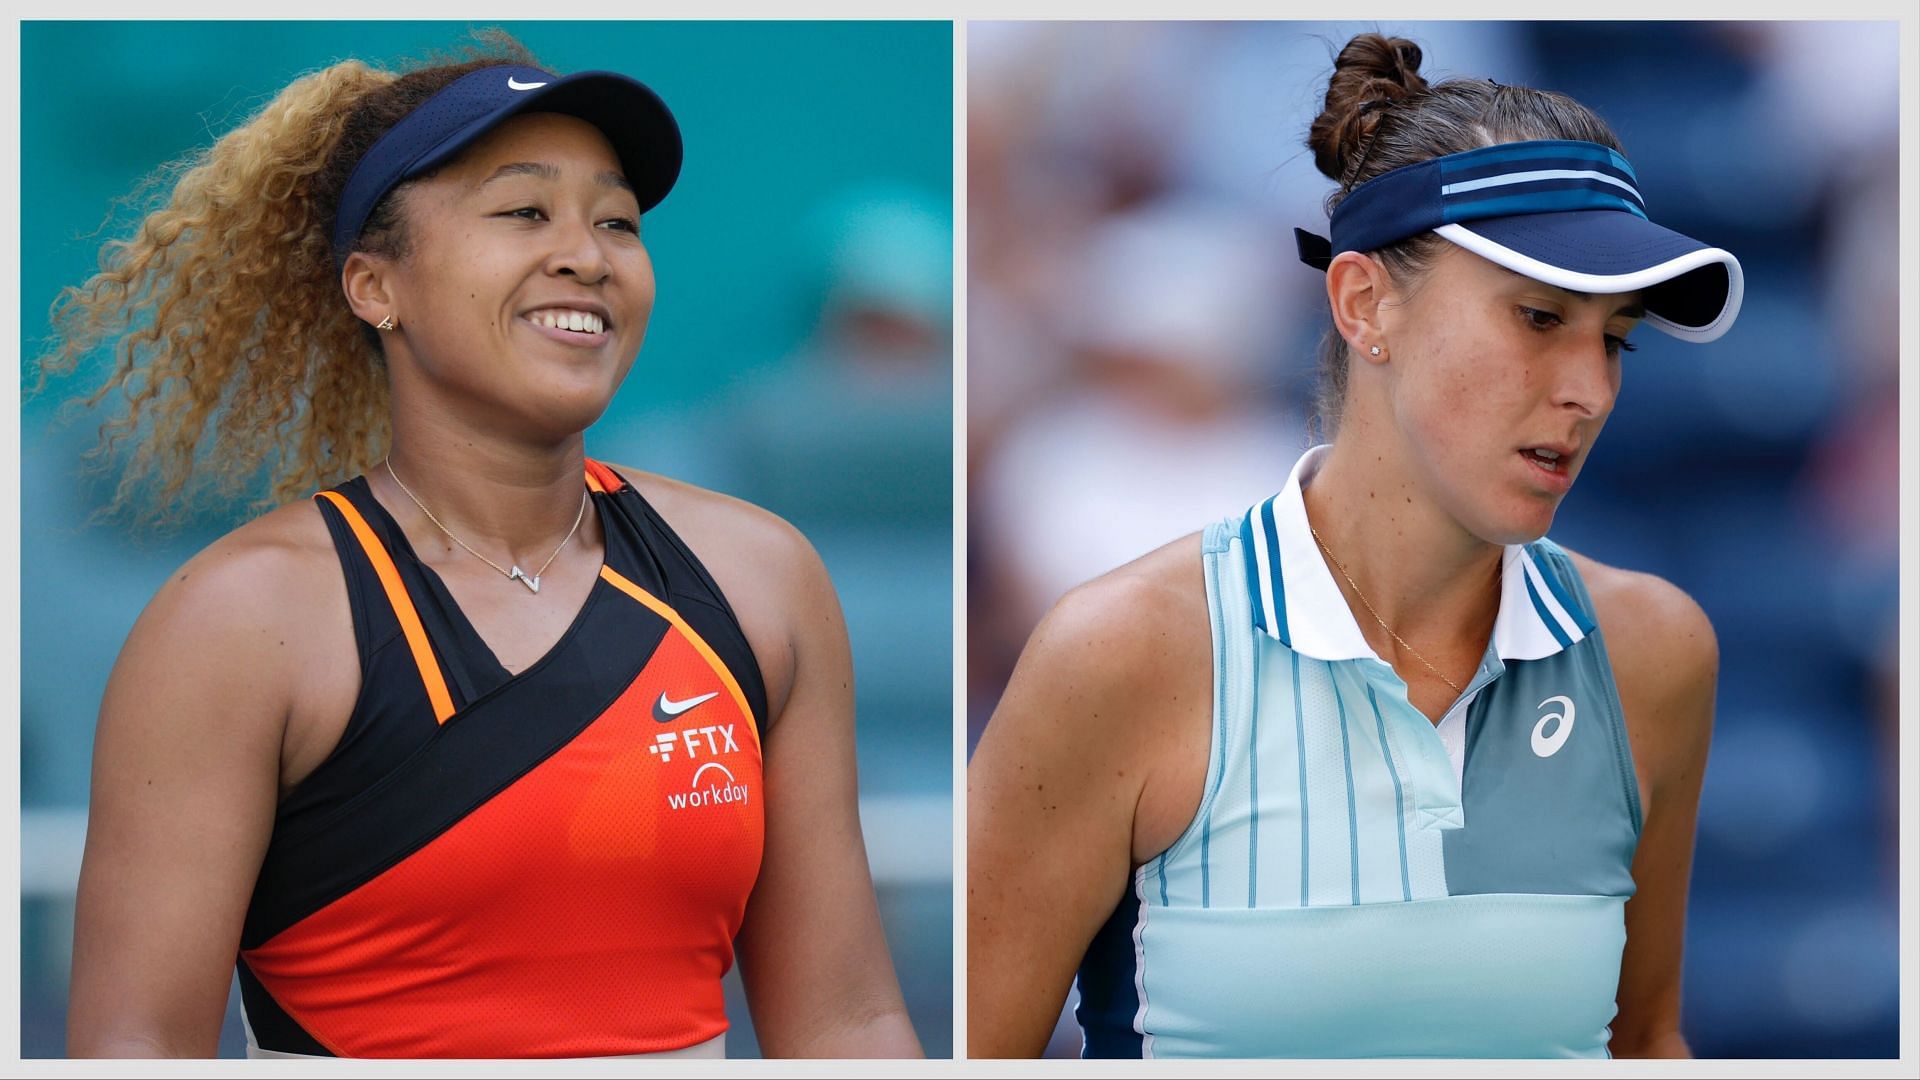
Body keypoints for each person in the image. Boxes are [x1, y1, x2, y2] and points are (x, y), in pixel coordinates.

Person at [48, 36, 922, 1059]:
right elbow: (134, 1048)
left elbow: (849, 1022)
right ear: (376, 288)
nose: (588, 255)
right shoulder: (239, 622)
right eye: (523, 212)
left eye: (617, 222)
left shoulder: (761, 578)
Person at [969, 32, 1739, 1059]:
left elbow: (1645, 1044)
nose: (1588, 392)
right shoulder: (1118, 653)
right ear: (1365, 303)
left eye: (1613, 338)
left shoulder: (1654, 652)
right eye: (1540, 317)